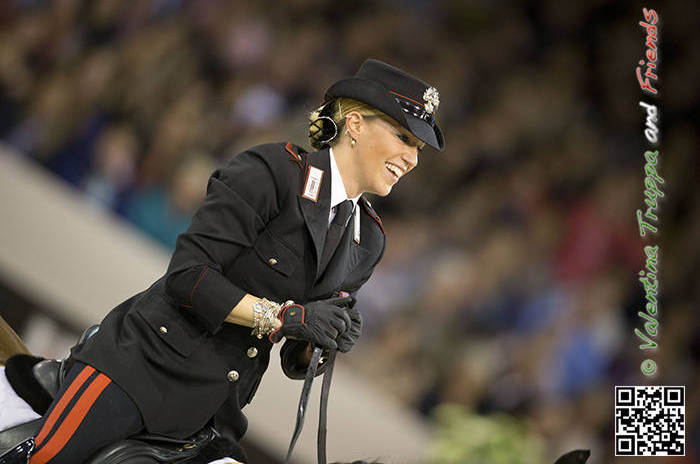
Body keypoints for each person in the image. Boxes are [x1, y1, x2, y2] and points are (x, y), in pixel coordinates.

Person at [25, 59, 445, 463]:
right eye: (404, 138)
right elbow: (188, 279)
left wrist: (324, 339)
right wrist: (286, 317)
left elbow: (293, 357)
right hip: (143, 372)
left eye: (419, 148)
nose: (412, 158)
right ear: (355, 124)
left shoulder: (368, 240)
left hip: (216, 415)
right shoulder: (271, 171)